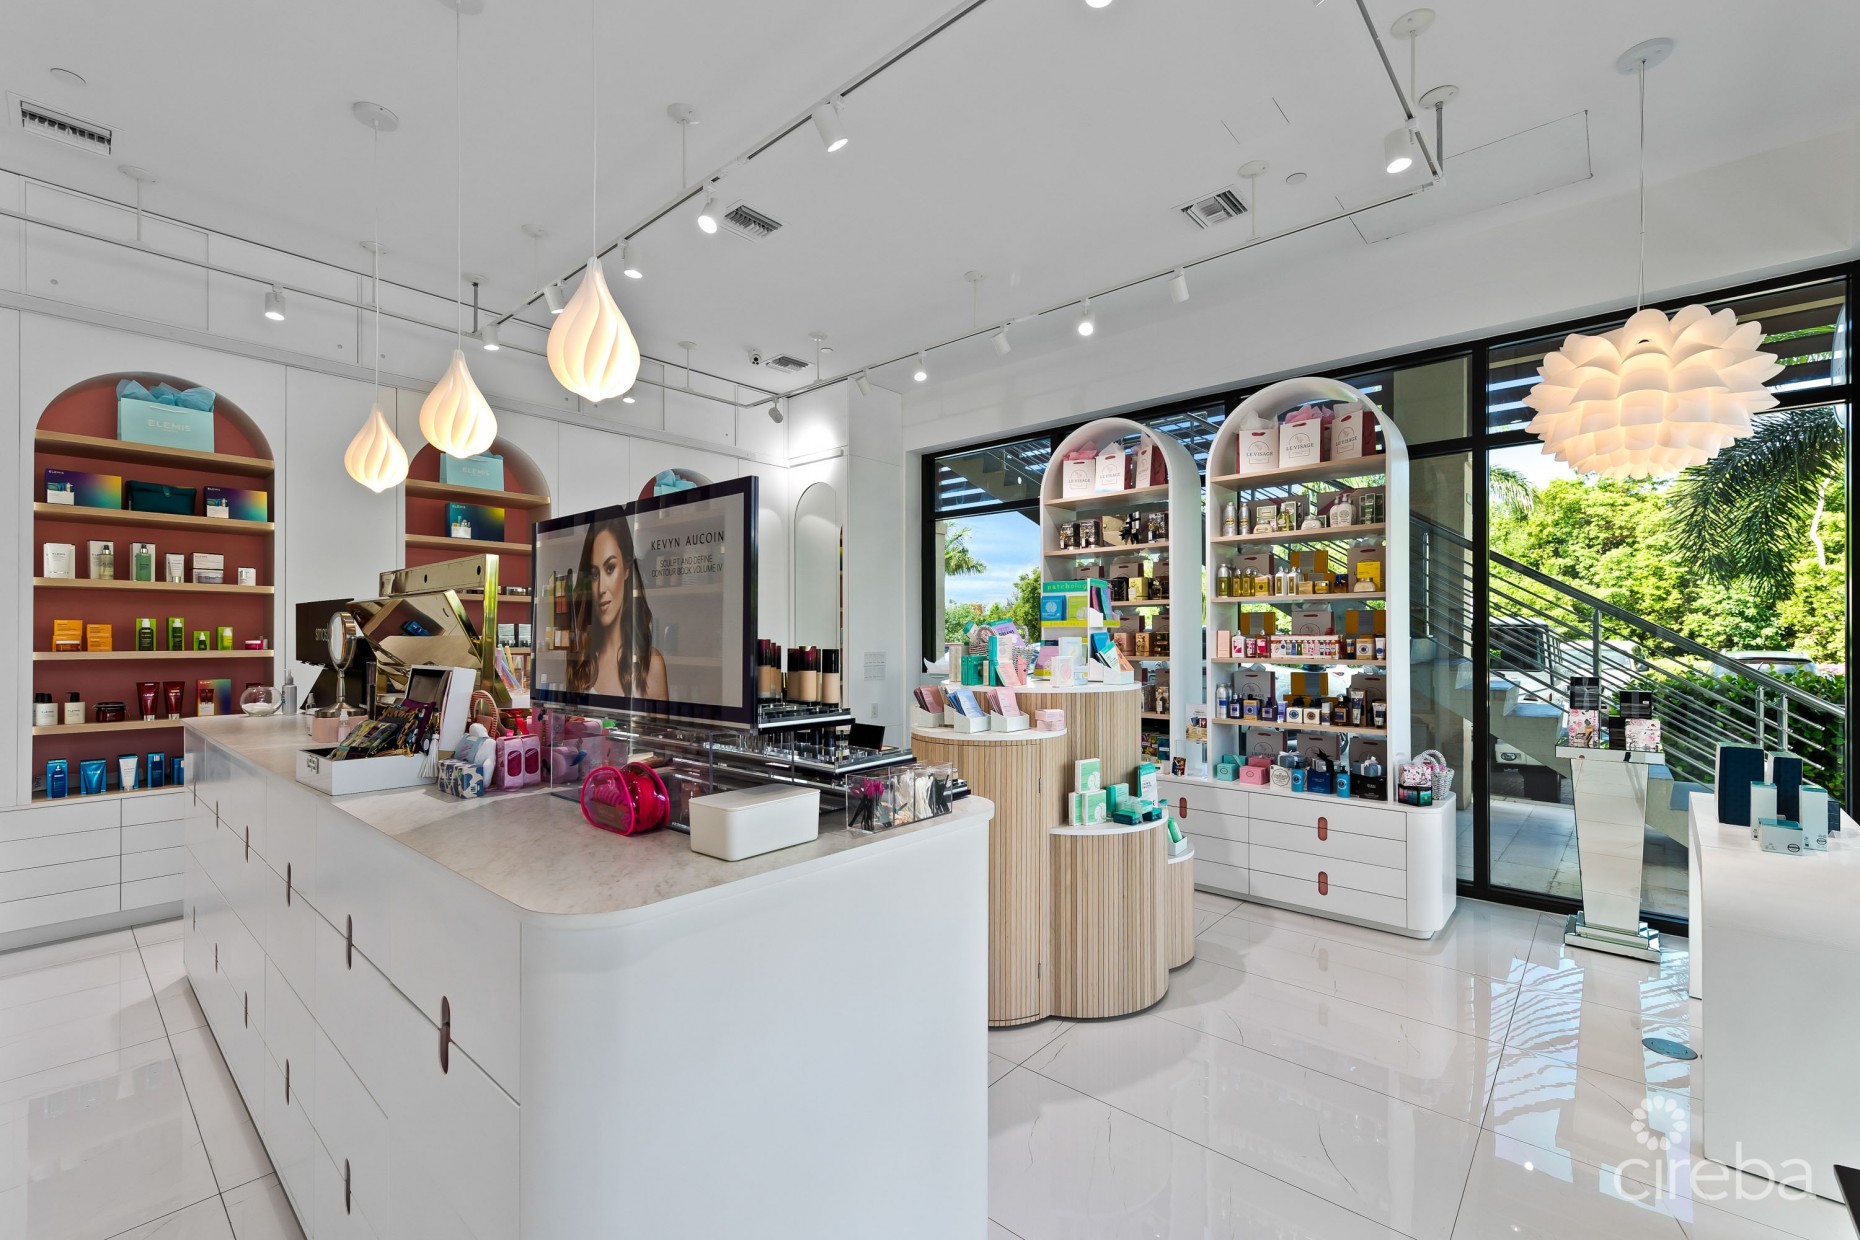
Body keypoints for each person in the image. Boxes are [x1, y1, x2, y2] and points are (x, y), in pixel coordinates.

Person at [566, 515, 668, 700]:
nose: (601, 588)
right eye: (594, 575)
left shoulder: (651, 665)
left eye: (610, 568)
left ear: (627, 569)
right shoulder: (582, 662)